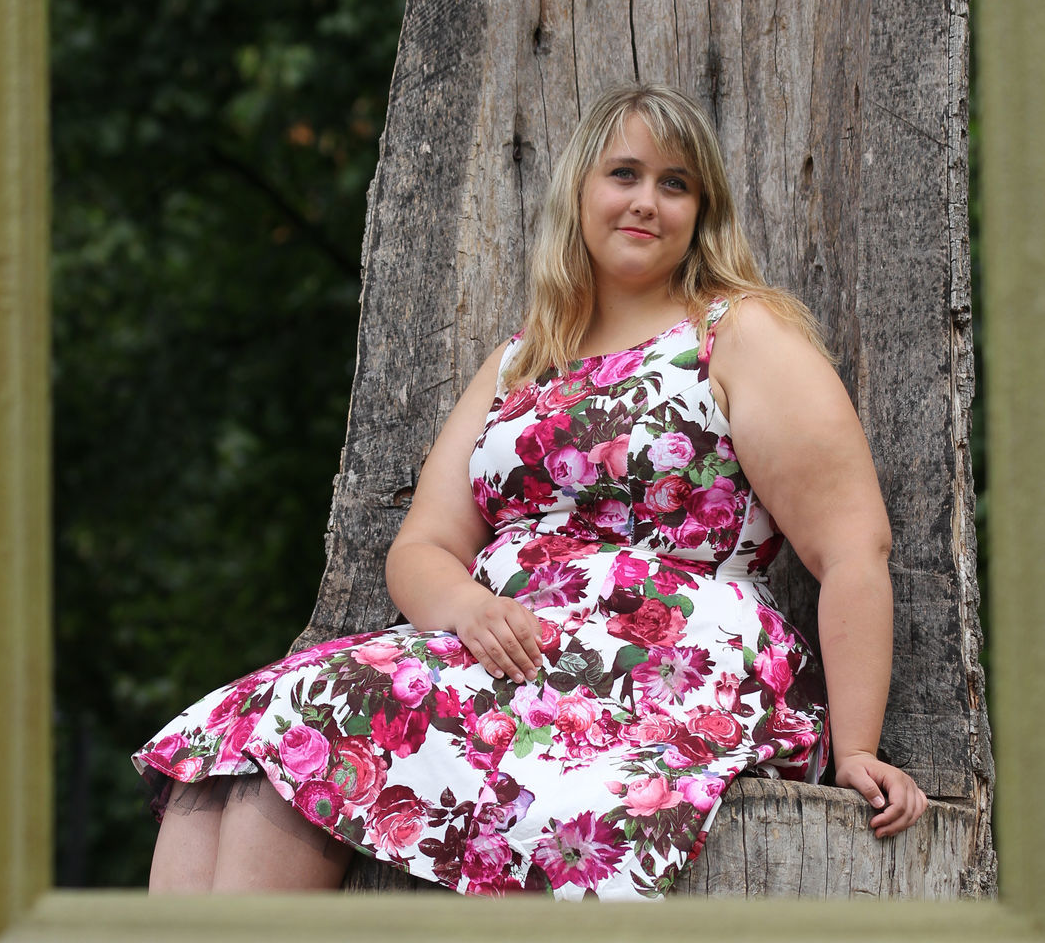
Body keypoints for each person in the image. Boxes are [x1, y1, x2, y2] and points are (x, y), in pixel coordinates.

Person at [134, 83, 927, 899]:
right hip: (514, 649)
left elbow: (852, 548)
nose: (646, 201)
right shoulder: (523, 359)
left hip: (670, 659)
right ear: (580, 190)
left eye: (675, 183)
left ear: (702, 210)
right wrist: (467, 608)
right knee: (230, 741)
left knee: (318, 704)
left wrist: (856, 746)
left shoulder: (738, 334)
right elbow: (425, 546)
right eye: (624, 174)